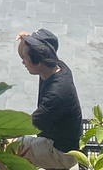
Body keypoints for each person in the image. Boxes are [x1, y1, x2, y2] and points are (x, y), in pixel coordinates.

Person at [14, 29, 82, 170]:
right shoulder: (57, 66)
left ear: (39, 62)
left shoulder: (56, 95)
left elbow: (27, 126)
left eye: (26, 58)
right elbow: (26, 54)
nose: (22, 61)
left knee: (8, 149)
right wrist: (24, 41)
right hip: (58, 138)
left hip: (61, 153)